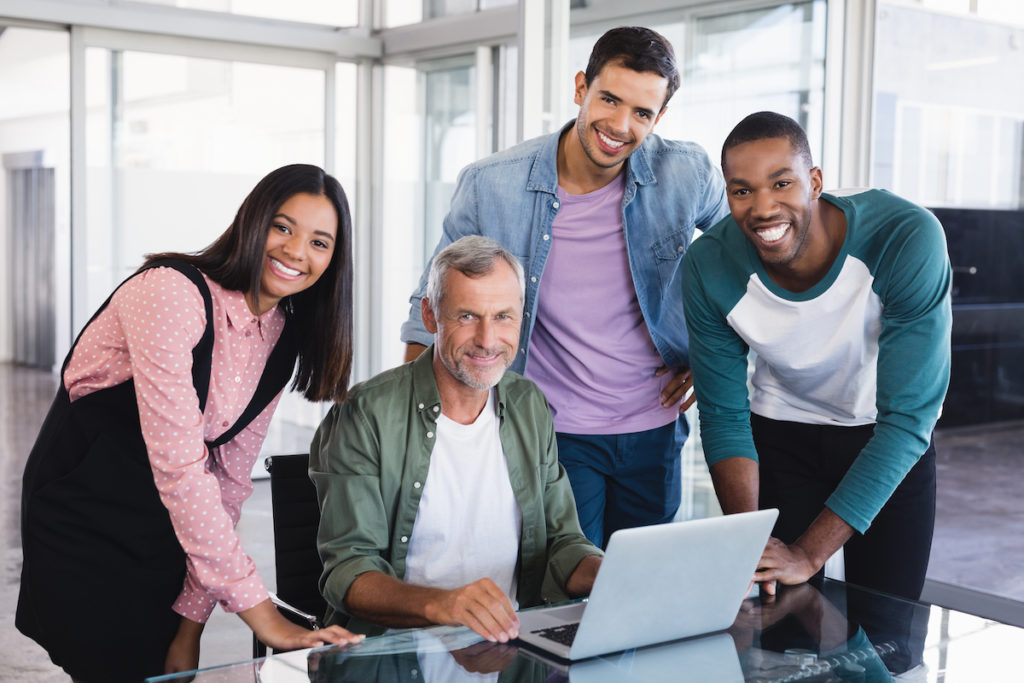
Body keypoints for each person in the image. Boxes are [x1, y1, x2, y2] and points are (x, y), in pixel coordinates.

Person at [17, 164, 364, 682]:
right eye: (283, 226)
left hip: (165, 529)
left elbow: (226, 483)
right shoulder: (171, 293)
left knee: (161, 666)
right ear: (252, 221)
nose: (296, 251)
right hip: (83, 517)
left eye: (320, 241)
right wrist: (262, 615)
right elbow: (180, 465)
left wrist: (190, 628)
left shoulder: (280, 337)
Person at [401, 27, 729, 548]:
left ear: (659, 117)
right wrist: (415, 433)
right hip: (553, 430)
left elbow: (751, 256)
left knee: (640, 592)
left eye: (642, 113)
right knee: (569, 593)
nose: (620, 126)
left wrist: (709, 353)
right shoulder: (493, 184)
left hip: (656, 431)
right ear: (581, 87)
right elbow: (431, 303)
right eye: (609, 99)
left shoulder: (686, 172)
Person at [681, 111, 951, 601]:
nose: (763, 207)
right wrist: (752, 545)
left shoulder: (905, 237)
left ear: (815, 181)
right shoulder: (708, 265)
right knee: (779, 639)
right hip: (781, 437)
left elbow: (910, 417)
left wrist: (809, 553)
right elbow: (723, 414)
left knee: (888, 635)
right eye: (742, 191)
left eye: (781, 183)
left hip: (885, 442)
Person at [312, 235, 603, 643]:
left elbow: (562, 542)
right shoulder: (366, 412)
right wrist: (442, 605)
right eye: (467, 316)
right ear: (430, 317)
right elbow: (349, 571)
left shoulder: (527, 403)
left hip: (513, 653)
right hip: (397, 653)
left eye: (504, 316)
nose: (487, 339)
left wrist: (607, 572)